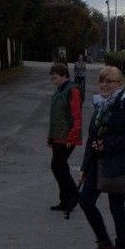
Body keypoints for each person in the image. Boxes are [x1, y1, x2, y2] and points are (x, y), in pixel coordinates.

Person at [78, 67, 125, 249]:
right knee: (85, 200)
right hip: (98, 163)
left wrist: (109, 144)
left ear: (120, 83)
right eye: (102, 81)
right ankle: (105, 244)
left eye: (110, 81)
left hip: (119, 164)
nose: (105, 85)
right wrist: (84, 167)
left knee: (116, 208)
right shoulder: (100, 105)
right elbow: (92, 138)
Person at [48, 63, 82, 212]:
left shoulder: (72, 90)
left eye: (55, 78)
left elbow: (76, 116)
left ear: (64, 76)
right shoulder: (59, 91)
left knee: (58, 166)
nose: (53, 81)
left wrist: (72, 137)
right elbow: (55, 116)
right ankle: (65, 199)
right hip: (58, 136)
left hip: (67, 136)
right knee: (59, 167)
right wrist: (50, 136)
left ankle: (74, 194)